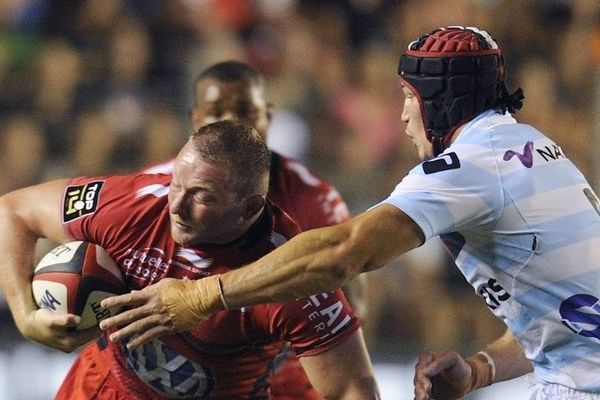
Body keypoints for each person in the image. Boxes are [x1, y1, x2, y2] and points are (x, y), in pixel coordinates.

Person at [100, 26, 600, 399]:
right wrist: (479, 370)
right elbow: (566, 318)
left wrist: (203, 295)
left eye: (408, 98)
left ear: (439, 103)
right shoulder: (532, 147)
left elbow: (342, 253)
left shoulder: (468, 166)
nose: (404, 115)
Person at [0, 120, 379, 400]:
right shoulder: (133, 205)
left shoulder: (290, 274)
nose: (176, 206)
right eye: (176, 184)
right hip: (103, 388)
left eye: (202, 196)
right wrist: (26, 316)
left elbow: (351, 388)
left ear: (250, 209)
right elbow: (12, 212)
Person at [144, 60, 366, 400]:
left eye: (246, 110)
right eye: (217, 111)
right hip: (170, 362)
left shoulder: (314, 201)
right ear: (194, 120)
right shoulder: (154, 185)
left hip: (279, 372)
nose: (232, 122)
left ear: (268, 116)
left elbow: (348, 306)